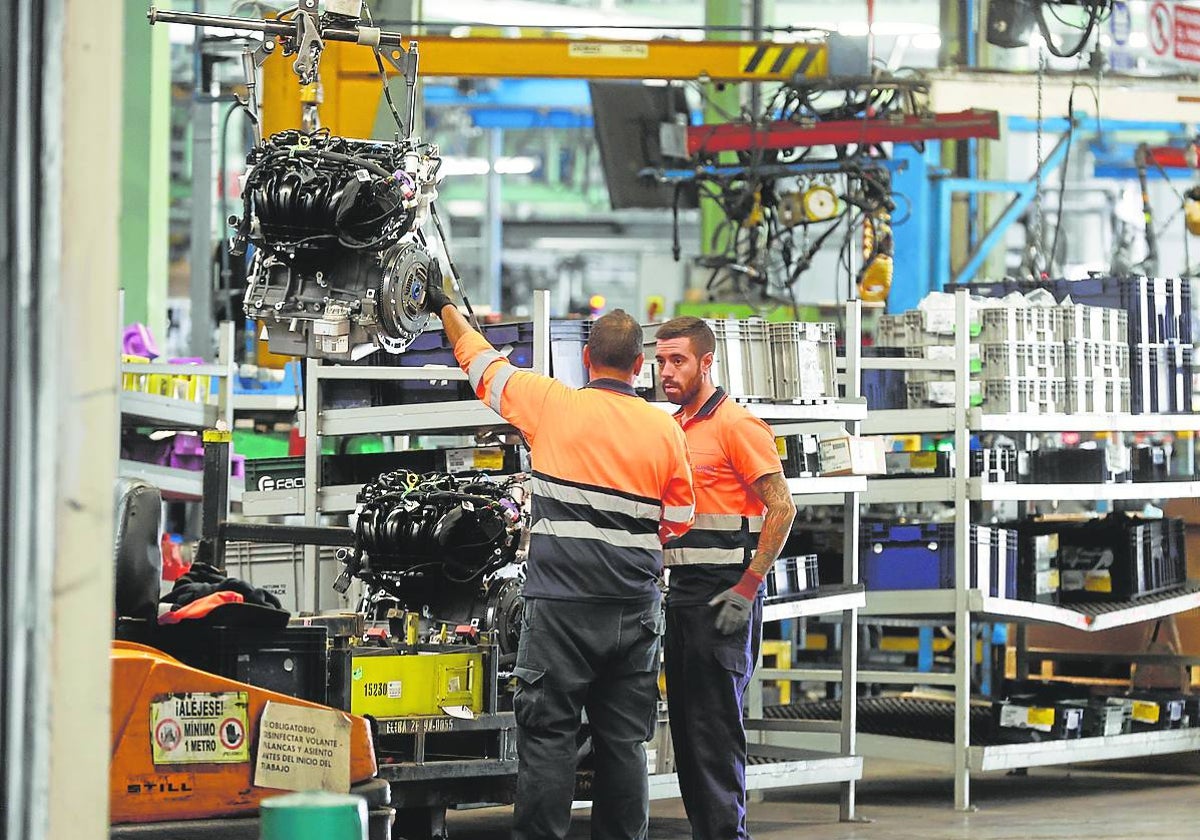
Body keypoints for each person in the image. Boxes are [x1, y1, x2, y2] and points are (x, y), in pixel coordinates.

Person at [418, 282, 695, 840]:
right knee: (624, 744)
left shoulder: (550, 403)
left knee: (548, 740)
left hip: (561, 610)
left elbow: (480, 362)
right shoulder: (666, 429)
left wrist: (446, 306)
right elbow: (680, 517)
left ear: (586, 359)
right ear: (639, 366)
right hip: (633, 611)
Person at [654, 316, 797, 840]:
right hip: (682, 596)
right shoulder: (674, 426)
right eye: (661, 360)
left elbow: (782, 509)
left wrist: (749, 585)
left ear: (706, 362)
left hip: (725, 596)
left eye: (678, 360)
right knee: (689, 737)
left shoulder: (738, 426)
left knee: (714, 733)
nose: (666, 370)